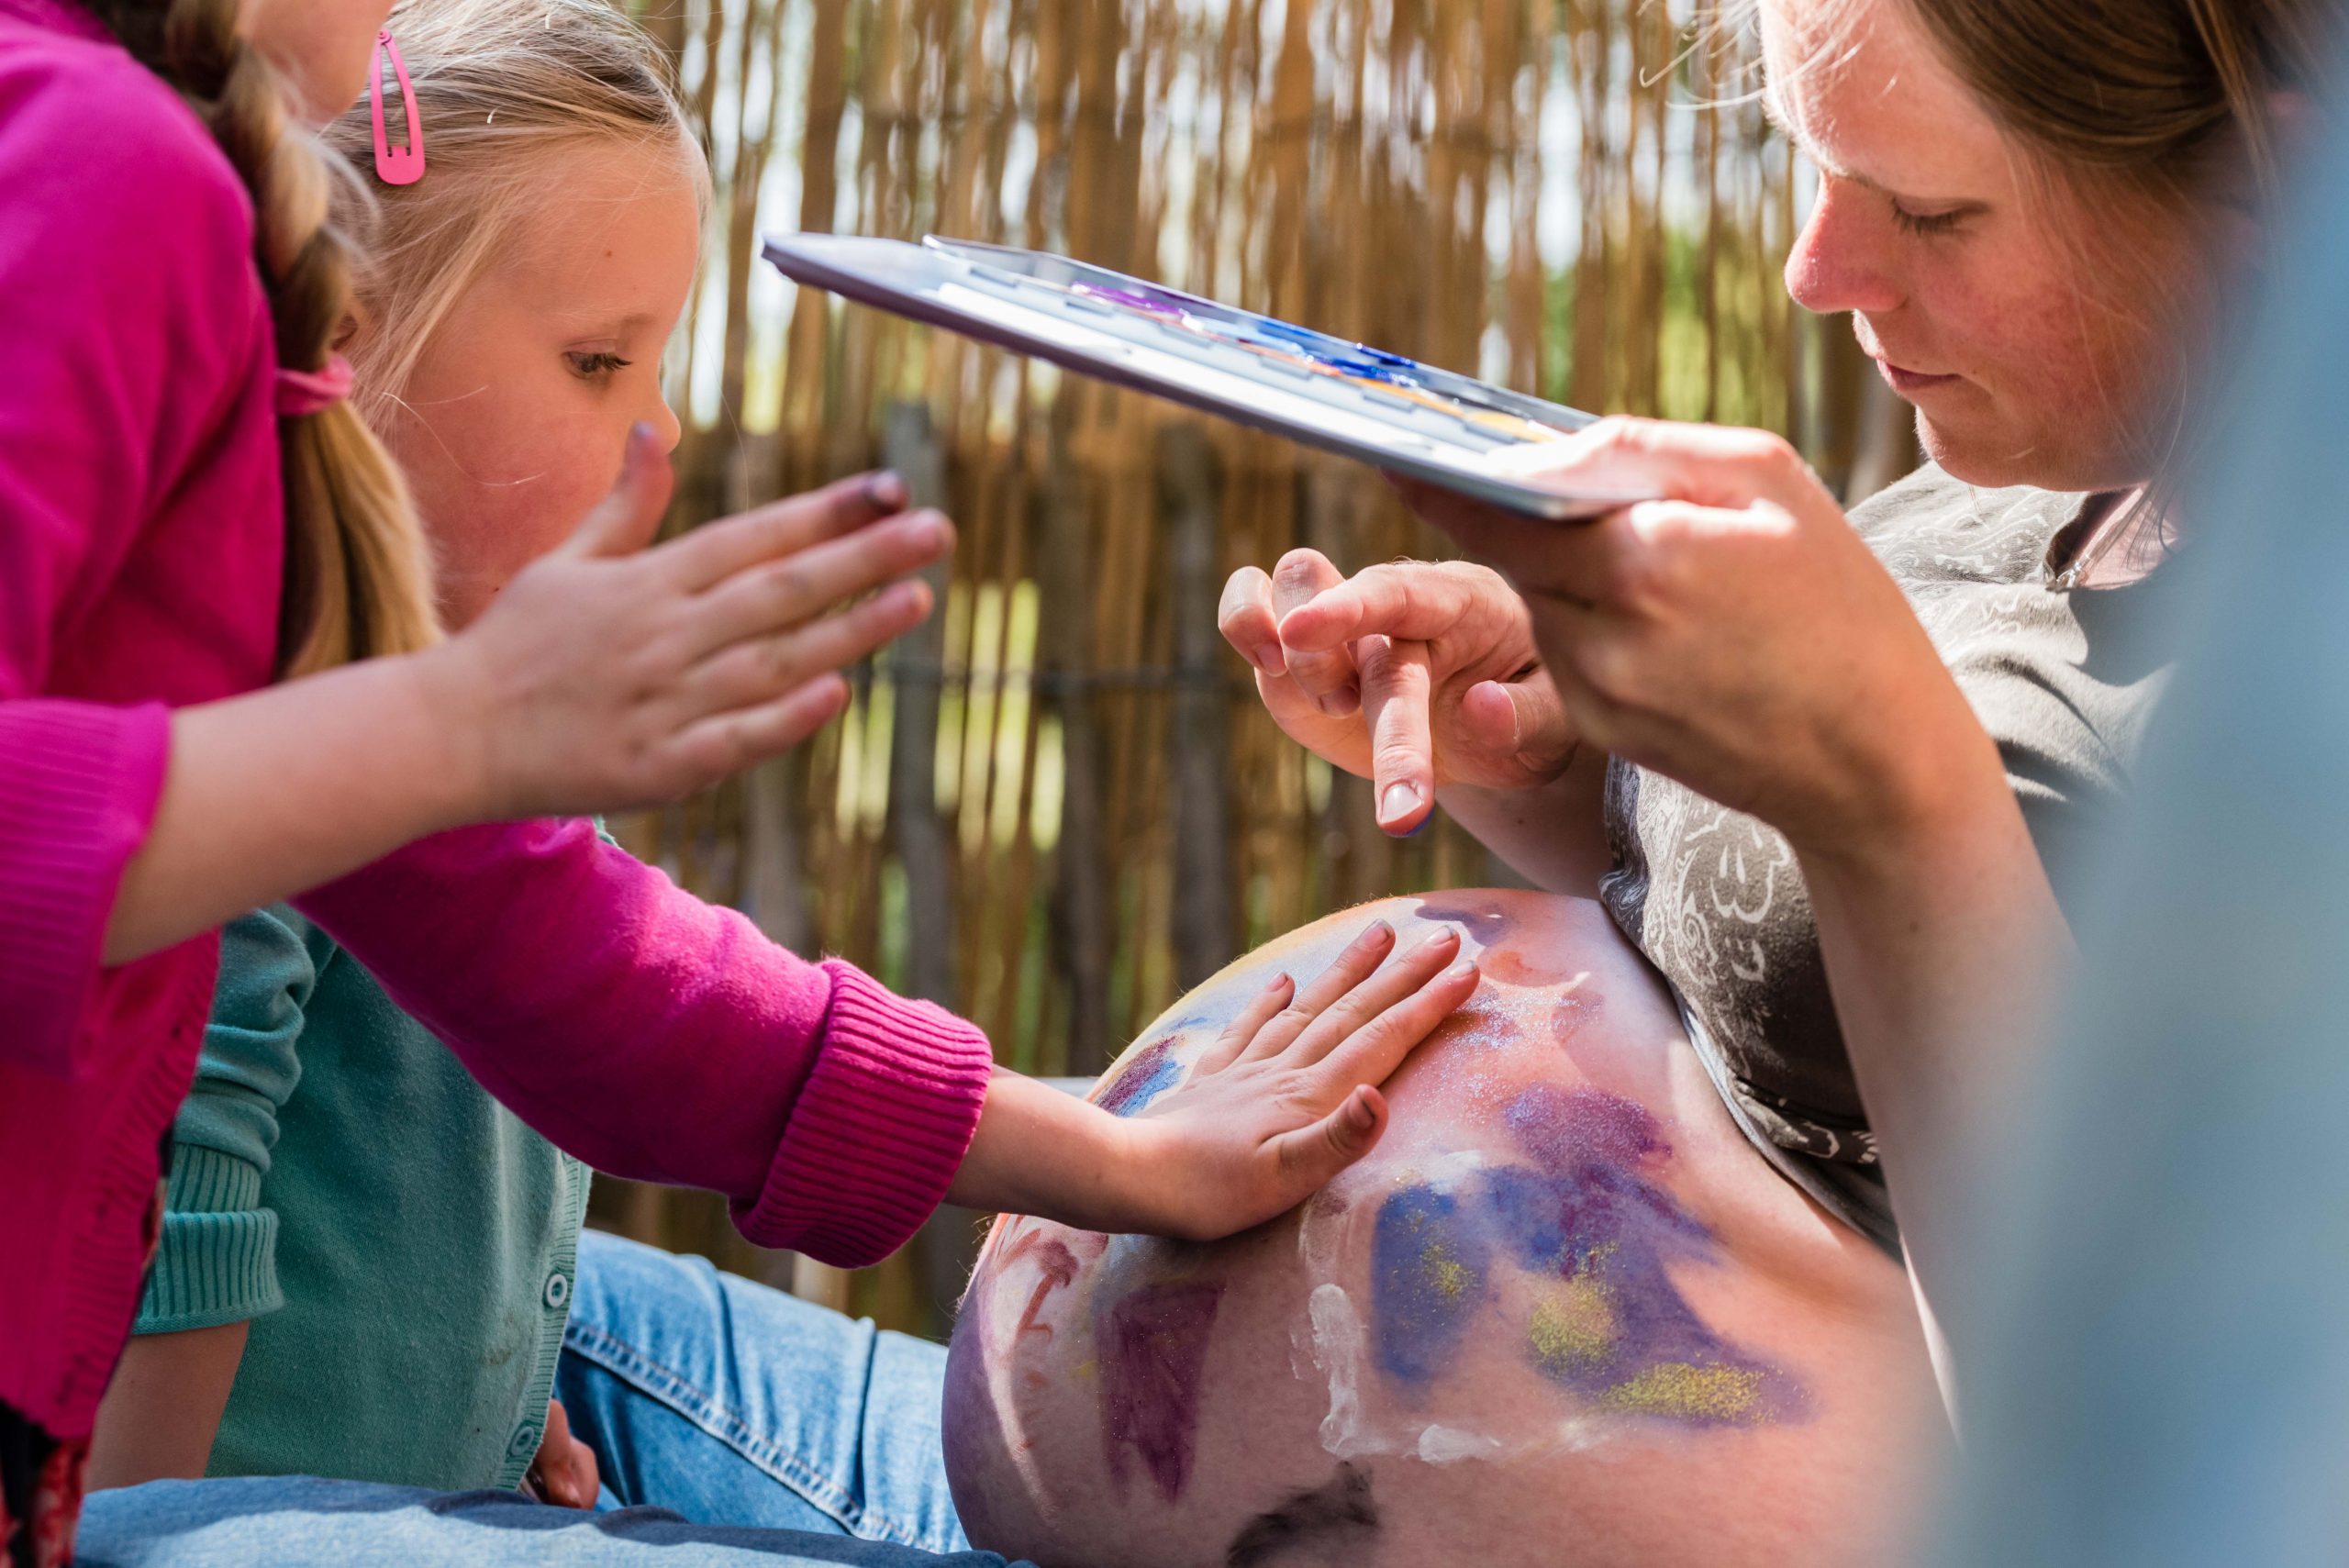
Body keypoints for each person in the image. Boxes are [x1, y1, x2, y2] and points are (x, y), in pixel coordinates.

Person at [1, 4, 1476, 1564]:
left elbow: (597, 977)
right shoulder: (103, 161)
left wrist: (1121, 1161)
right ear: (360, 336)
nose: (657, 423)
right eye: (592, 359)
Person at [942, 0, 2328, 1562]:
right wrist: (1551, 759)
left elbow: (2165, 1479)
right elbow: (1794, 1014)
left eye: (1933, 210)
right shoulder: (2048, 462)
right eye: (1814, 168)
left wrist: (1891, 790)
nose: (1818, 273)